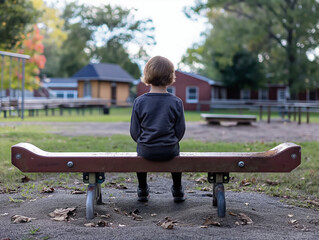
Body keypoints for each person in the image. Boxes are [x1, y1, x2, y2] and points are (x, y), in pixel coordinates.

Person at [130, 56, 186, 202]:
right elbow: (180, 131)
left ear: (147, 75)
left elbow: (134, 132)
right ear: (170, 77)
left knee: (139, 152)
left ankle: (142, 188)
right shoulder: (176, 102)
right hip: (169, 149)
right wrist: (170, 141)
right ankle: (178, 189)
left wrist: (144, 141)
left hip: (146, 149)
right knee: (177, 152)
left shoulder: (139, 101)